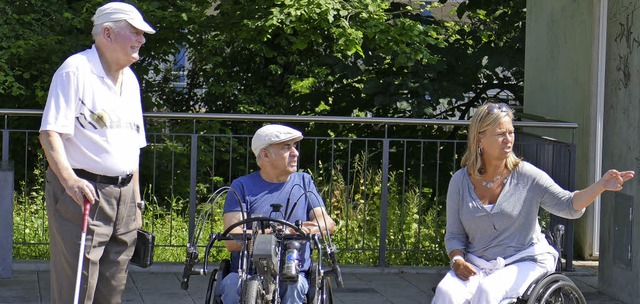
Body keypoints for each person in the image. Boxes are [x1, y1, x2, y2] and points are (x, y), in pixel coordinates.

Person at [432, 102, 635, 304]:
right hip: (479, 263)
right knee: (446, 292)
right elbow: (454, 236)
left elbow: (567, 204)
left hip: (524, 260)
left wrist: (600, 185)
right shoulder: (460, 182)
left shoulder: (526, 175)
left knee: (487, 292)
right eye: (500, 133)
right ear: (479, 139)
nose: (508, 139)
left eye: (511, 132)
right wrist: (457, 260)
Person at [38, 2, 155, 303]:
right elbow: (50, 133)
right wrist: (69, 181)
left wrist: (137, 202)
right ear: (107, 33)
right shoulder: (75, 70)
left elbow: (134, 145)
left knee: (113, 289)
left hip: (125, 196)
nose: (142, 39)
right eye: (135, 32)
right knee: (77, 290)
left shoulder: (130, 80)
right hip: (84, 192)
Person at [219, 124, 336, 304]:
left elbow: (327, 223)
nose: (295, 153)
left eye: (294, 147)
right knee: (231, 285)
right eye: (286, 147)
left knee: (294, 286)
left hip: (293, 271)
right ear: (265, 155)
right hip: (246, 272)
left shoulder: (304, 182)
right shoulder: (242, 186)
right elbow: (232, 239)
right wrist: (280, 233)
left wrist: (304, 230)